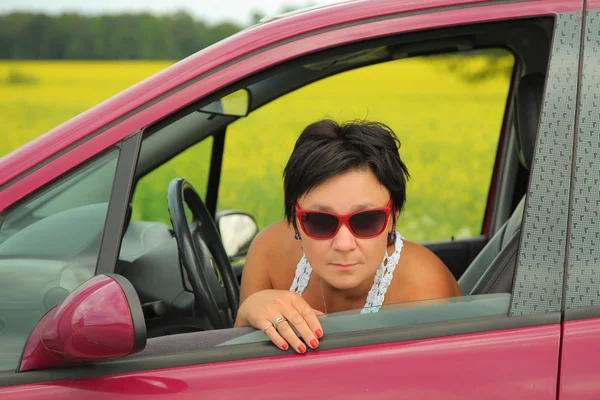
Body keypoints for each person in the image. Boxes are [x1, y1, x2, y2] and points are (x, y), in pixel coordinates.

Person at [234, 119, 461, 354]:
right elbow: (237, 367)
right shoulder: (269, 252)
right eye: (320, 221)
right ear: (295, 219)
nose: (344, 244)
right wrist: (247, 314)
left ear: (394, 216)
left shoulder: (423, 294)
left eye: (366, 220)